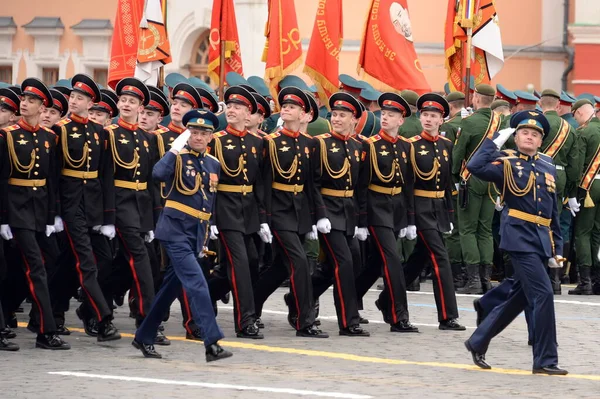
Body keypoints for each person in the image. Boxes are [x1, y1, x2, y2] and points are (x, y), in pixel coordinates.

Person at [464, 110, 567, 375]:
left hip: (541, 240)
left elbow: (552, 212)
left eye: (535, 134)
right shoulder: (506, 161)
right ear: (516, 136)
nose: (529, 137)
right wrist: (495, 141)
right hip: (518, 237)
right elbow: (475, 167)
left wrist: (558, 249)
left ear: (541, 140)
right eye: (524, 133)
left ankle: (478, 341)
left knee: (520, 297)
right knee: (543, 294)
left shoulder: (547, 166)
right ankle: (545, 360)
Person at [133, 109, 232, 362]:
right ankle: (212, 343)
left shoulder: (213, 164)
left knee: (169, 290)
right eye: (194, 132)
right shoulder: (177, 157)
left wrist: (206, 237)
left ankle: (144, 336)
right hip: (175, 231)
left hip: (195, 234)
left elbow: (208, 203)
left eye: (203, 133)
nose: (198, 137)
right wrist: (174, 149)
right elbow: (157, 175)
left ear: (211, 137)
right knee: (198, 284)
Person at [0, 78, 70, 349]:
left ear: (42, 107)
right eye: (24, 99)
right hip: (16, 210)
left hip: (39, 209)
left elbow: (52, 179)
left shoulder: (49, 137)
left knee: (42, 263)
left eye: (31, 101)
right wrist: (4, 218)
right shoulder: (7, 136)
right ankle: (45, 330)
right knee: (36, 267)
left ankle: (8, 315)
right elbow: (3, 179)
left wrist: (53, 215)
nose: (25, 103)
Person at [253, 86, 328, 338]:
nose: (286, 108)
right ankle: (304, 320)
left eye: (292, 106)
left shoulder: (310, 144)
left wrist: (319, 217)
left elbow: (312, 184)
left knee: (281, 267)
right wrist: (263, 218)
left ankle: (251, 306)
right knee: (299, 261)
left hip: (300, 211)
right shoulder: (270, 142)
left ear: (304, 114)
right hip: (278, 210)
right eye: (284, 105)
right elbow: (262, 183)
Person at [54, 74, 121, 341]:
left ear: (91, 103)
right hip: (69, 204)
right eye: (72, 97)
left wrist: (107, 217)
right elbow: (54, 174)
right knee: (85, 262)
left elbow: (105, 175)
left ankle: (53, 311)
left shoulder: (99, 133)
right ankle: (103, 318)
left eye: (80, 98)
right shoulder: (59, 130)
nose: (74, 101)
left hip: (92, 204)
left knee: (92, 260)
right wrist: (55, 212)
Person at [355, 92, 418, 333]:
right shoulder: (370, 145)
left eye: (391, 115)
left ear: (401, 120)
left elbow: (408, 185)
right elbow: (361, 185)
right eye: (384, 114)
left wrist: (410, 219)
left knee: (375, 262)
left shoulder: (405, 147)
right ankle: (398, 316)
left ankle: (350, 299)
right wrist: (361, 220)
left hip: (397, 209)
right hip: (376, 208)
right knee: (393, 259)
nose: (385, 118)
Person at [207, 85, 266, 339]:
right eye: (229, 106)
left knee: (250, 261)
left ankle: (203, 295)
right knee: (240, 264)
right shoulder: (216, 140)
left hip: (249, 211)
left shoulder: (257, 143)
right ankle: (245, 321)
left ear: (248, 113)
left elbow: (260, 184)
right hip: (225, 210)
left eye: (238, 107)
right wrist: (210, 217)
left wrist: (263, 219)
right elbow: (207, 182)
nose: (231, 110)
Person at [402, 93, 465, 330]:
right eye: (425, 115)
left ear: (442, 120)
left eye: (434, 116)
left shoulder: (447, 145)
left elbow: (448, 182)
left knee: (420, 257)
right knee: (440, 257)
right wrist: (408, 218)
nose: (428, 119)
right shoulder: (411, 145)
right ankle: (448, 316)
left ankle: (387, 298)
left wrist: (449, 214)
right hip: (419, 208)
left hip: (437, 208)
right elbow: (407, 184)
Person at [309, 92, 369, 336]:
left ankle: (300, 298)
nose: (336, 119)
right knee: (343, 262)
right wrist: (319, 214)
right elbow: (312, 183)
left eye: (342, 115)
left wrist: (361, 221)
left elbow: (360, 187)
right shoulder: (320, 143)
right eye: (334, 114)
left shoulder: (358, 146)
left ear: (353, 119)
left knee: (350, 261)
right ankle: (348, 321)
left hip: (348, 213)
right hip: (327, 212)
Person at [104, 78, 161, 331]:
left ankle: (91, 307)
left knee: (131, 262)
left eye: (133, 101)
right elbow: (103, 177)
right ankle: (146, 318)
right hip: (119, 203)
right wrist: (106, 215)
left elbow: (151, 181)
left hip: (140, 207)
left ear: (141, 108)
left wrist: (151, 220)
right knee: (139, 257)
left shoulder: (148, 138)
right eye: (123, 100)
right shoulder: (108, 134)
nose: (126, 104)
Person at [453, 84, 500, 294]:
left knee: (467, 229)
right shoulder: (501, 121)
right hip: (493, 180)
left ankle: (473, 281)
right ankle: (486, 279)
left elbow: (458, 153)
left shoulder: (469, 122)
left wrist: (454, 176)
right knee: (485, 230)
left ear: (476, 98)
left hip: (470, 179)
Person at [570, 99, 600, 295]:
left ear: (579, 112)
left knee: (582, 233)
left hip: (590, 187)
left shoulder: (584, 132)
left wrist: (572, 192)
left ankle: (585, 281)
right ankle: (597, 279)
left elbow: (577, 165)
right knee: (597, 232)